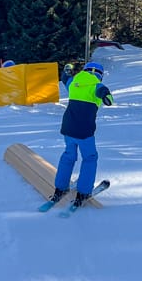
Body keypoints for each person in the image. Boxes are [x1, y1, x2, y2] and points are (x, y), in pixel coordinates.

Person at [50, 61, 114, 208]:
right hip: (84, 131)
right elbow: (107, 98)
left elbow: (65, 77)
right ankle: (84, 192)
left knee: (68, 156)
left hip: (68, 128)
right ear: (100, 75)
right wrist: (106, 97)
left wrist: (68, 69)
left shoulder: (74, 82)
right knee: (90, 158)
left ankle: (60, 188)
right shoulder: (98, 85)